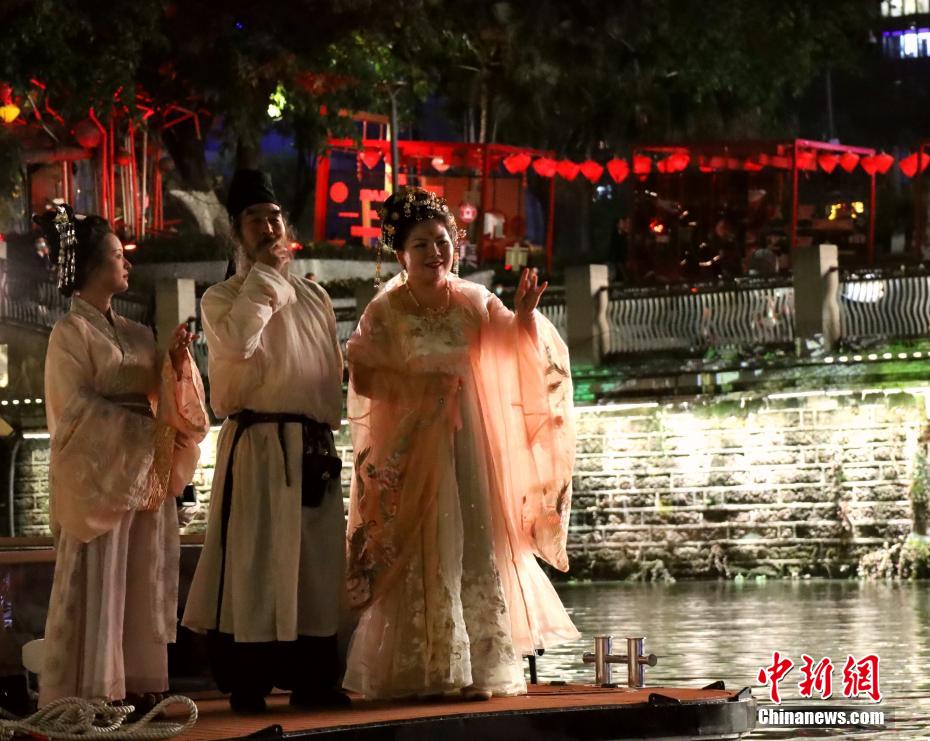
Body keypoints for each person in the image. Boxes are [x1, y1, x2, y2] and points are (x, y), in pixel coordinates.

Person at [344, 187, 579, 701]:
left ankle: (477, 669)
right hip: (414, 444)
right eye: (421, 244)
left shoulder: (475, 301)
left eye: (442, 241)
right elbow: (364, 377)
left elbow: (514, 348)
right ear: (401, 255)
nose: (435, 252)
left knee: (474, 539)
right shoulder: (385, 311)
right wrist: (421, 387)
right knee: (422, 543)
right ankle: (423, 667)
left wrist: (524, 317)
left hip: (470, 441)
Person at [182, 170, 348, 713]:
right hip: (256, 445)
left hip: (311, 447)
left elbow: (330, 372)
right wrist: (268, 279)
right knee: (253, 563)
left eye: (274, 218)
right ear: (237, 233)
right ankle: (247, 681)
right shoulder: (222, 298)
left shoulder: (315, 297)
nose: (268, 227)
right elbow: (236, 342)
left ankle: (313, 679)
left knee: (313, 567)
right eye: (255, 220)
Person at [36, 203, 208, 707]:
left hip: (140, 468)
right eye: (117, 255)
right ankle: (96, 688)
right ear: (91, 266)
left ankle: (138, 683)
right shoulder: (70, 334)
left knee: (140, 571)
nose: (127, 264)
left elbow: (164, 396)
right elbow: (73, 411)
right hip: (101, 473)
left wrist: (176, 362)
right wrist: (141, 436)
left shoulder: (137, 332)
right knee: (103, 574)